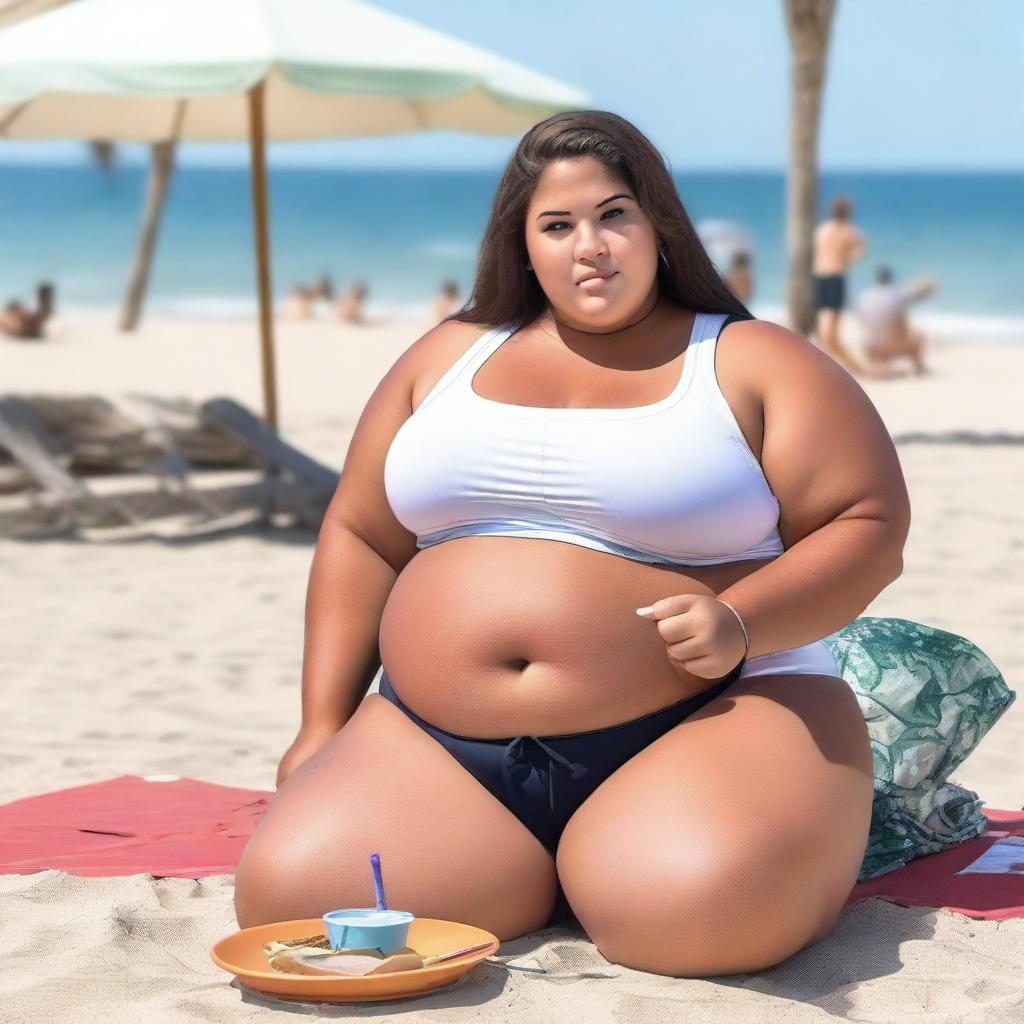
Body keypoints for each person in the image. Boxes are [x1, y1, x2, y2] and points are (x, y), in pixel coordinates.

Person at [235, 111, 909, 978]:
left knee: (700, 920)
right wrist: (320, 722)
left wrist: (741, 619)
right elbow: (362, 533)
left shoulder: (750, 361)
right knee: (292, 899)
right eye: (557, 225)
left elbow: (870, 525)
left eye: (613, 215)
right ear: (523, 245)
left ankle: (633, 853)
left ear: (659, 225)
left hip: (713, 713)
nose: (589, 245)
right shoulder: (443, 356)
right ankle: (554, 864)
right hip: (432, 738)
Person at [812, 196, 867, 376]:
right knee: (830, 330)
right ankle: (846, 367)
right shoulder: (849, 231)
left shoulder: (822, 229)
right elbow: (860, 251)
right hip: (835, 276)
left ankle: (846, 366)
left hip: (820, 276)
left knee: (827, 328)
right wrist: (845, 258)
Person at [855, 267, 936, 377]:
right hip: (891, 347)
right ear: (891, 279)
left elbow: (861, 321)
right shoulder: (897, 296)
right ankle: (919, 366)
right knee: (918, 334)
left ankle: (879, 363)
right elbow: (903, 327)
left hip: (870, 348)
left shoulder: (864, 297)